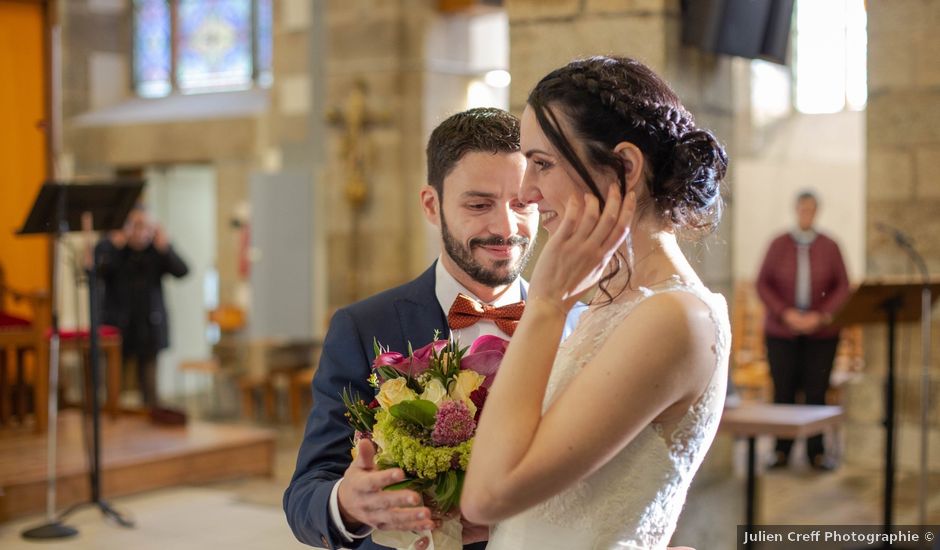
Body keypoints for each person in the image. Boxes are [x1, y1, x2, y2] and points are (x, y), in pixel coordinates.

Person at [459, 56, 730, 550]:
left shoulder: (676, 318)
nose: (527, 192)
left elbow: (487, 496)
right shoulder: (610, 303)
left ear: (625, 166)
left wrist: (545, 304)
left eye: (542, 163)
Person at [283, 107, 582, 550]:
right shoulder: (363, 327)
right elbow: (306, 495)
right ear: (431, 204)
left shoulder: (581, 324)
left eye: (522, 204)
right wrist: (346, 502)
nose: (506, 227)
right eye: (479, 205)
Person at [756, 191, 849, 471]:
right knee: (783, 392)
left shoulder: (830, 245)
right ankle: (781, 451)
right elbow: (763, 283)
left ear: (816, 211)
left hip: (821, 333)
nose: (806, 213)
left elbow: (843, 285)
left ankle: (816, 453)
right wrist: (786, 314)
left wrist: (821, 316)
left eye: (811, 209)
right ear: (796, 210)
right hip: (782, 332)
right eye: (802, 208)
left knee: (815, 392)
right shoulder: (778, 244)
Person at [93, 206, 189, 409]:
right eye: (135, 225)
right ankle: (114, 424)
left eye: (145, 226)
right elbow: (94, 272)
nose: (140, 231)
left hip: (149, 324)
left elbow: (182, 271)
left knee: (150, 387)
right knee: (113, 384)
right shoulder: (114, 249)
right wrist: (114, 245)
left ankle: (151, 428)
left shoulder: (156, 249)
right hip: (118, 323)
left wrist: (166, 247)